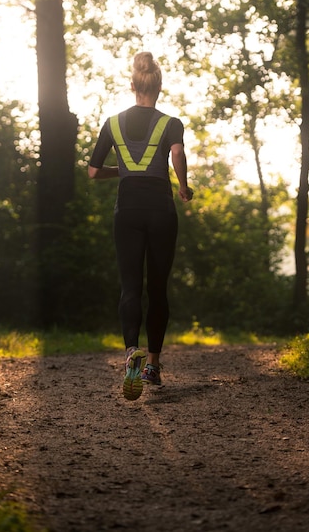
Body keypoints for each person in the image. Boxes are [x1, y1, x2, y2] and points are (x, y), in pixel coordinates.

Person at [88, 52, 193, 401]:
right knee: (158, 288)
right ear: (159, 87)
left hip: (128, 210)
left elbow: (91, 171)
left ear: (132, 85)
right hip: (161, 210)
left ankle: (131, 349)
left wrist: (124, 170)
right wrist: (183, 185)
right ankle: (152, 364)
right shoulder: (170, 123)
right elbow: (176, 155)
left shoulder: (112, 123)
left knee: (130, 287)